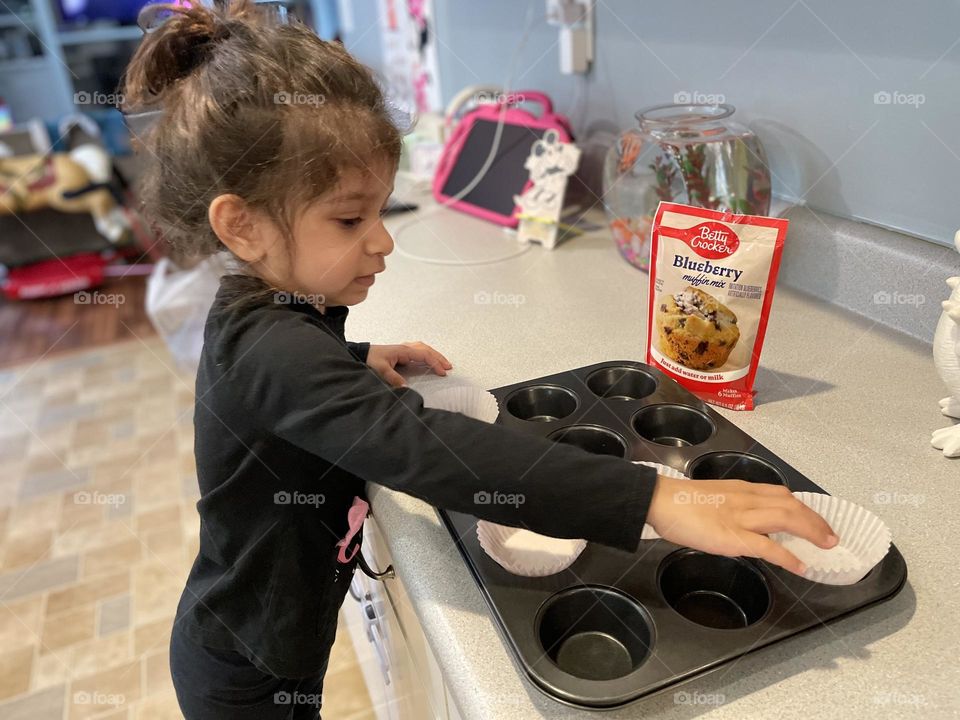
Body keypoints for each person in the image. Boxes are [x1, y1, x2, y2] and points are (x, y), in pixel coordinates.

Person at [121, 3, 838, 717]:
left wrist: (354, 358)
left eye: (380, 212)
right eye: (349, 219)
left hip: (270, 634)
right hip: (247, 671)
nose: (383, 243)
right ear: (241, 225)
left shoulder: (275, 315)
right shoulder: (271, 347)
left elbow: (295, 382)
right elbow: (428, 450)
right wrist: (653, 497)